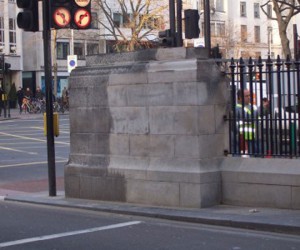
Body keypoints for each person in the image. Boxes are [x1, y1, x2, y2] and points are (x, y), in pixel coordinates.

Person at [232, 88, 259, 156]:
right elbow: (249, 116)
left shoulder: (253, 106)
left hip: (254, 137)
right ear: (240, 98)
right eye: (246, 96)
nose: (249, 97)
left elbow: (259, 114)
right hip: (243, 138)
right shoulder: (237, 108)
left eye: (249, 95)